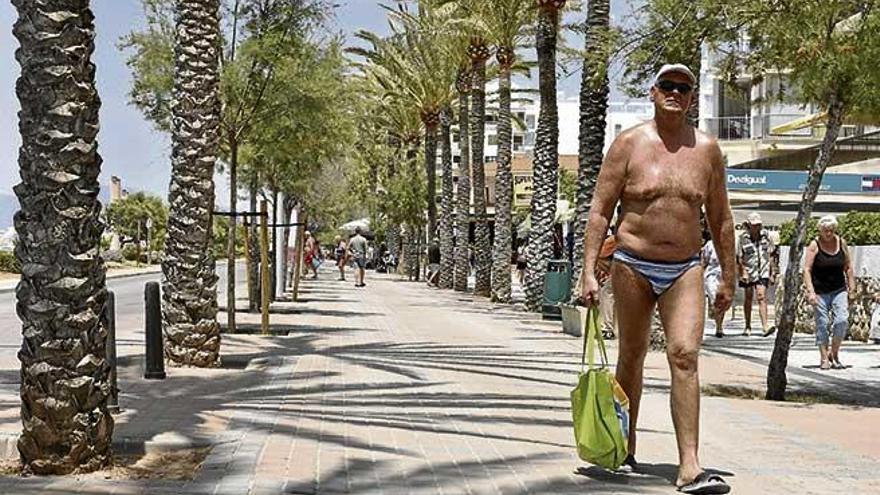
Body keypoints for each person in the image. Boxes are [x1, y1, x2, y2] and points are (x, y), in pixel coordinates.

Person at [579, 63, 735, 494]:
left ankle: (690, 466)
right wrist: (588, 271)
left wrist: (728, 276)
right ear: (653, 92)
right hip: (632, 263)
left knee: (684, 355)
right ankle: (624, 447)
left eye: (683, 88)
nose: (675, 93)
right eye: (667, 86)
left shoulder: (706, 150)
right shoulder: (629, 144)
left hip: (685, 267)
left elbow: (720, 218)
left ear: (690, 97)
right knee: (631, 356)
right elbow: (600, 209)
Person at [804, 215, 855, 370]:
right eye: (826, 230)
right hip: (820, 291)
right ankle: (824, 357)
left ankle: (834, 353)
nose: (828, 233)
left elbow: (848, 266)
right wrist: (811, 291)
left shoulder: (841, 243)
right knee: (822, 323)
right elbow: (806, 269)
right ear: (820, 230)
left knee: (841, 320)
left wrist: (852, 287)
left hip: (839, 289)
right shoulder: (814, 245)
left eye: (831, 230)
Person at [736, 213, 776, 337]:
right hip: (749, 271)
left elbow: (771, 255)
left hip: (762, 271)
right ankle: (747, 326)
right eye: (754, 225)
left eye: (758, 225)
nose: (757, 227)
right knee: (748, 298)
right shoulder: (743, 238)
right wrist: (743, 272)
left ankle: (765, 326)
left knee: (761, 296)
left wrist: (772, 272)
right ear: (749, 225)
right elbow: (739, 257)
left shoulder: (766, 236)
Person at [702, 235, 725, 337]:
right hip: (711, 276)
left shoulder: (729, 245)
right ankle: (719, 326)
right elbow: (704, 261)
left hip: (724, 276)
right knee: (715, 300)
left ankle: (719, 325)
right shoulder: (710, 245)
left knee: (722, 301)